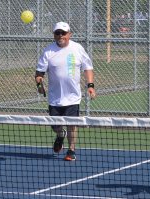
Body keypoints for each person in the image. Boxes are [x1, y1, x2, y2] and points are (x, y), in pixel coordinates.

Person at [35, 22, 96, 161]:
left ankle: (71, 150)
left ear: (70, 34)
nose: (60, 36)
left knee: (72, 125)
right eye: (57, 33)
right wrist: (39, 85)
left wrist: (90, 86)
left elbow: (88, 68)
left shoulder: (78, 48)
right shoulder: (48, 51)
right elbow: (39, 73)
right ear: (54, 35)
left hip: (73, 97)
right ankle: (60, 134)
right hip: (55, 98)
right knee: (55, 126)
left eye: (63, 33)